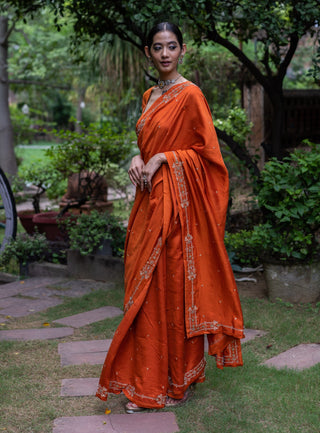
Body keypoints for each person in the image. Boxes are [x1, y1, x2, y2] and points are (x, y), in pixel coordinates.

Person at [96, 22, 244, 414]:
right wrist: (139, 157)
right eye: (158, 47)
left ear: (183, 50)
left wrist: (167, 158)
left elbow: (210, 157)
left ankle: (176, 382)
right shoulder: (149, 95)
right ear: (148, 51)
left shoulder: (191, 94)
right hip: (147, 205)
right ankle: (145, 380)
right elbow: (146, 145)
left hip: (179, 212)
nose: (165, 54)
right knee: (142, 296)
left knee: (172, 294)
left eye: (172, 46)